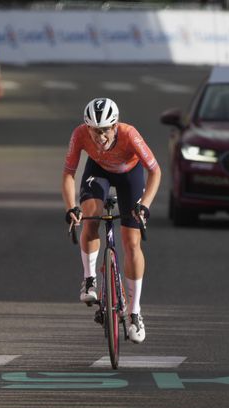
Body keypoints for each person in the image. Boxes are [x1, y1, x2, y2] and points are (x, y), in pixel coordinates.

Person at [61, 97, 161, 344]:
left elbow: (155, 171)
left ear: (115, 126)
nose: (99, 136)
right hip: (99, 172)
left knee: (131, 241)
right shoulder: (80, 134)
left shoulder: (129, 134)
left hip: (130, 175)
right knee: (91, 216)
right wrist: (70, 207)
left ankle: (134, 312)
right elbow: (68, 173)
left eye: (105, 130)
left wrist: (144, 206)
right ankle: (89, 279)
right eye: (95, 131)